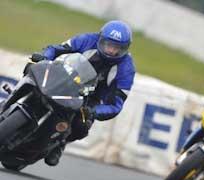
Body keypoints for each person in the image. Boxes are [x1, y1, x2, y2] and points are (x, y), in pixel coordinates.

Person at [27, 20, 136, 166]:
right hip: (65, 78)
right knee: (32, 69)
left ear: (124, 48)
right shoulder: (87, 40)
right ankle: (12, 99)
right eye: (108, 45)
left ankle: (60, 143)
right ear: (100, 39)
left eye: (116, 48)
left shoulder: (126, 69)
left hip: (90, 98)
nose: (111, 50)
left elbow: (116, 105)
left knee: (82, 125)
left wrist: (93, 111)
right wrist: (45, 57)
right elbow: (56, 48)